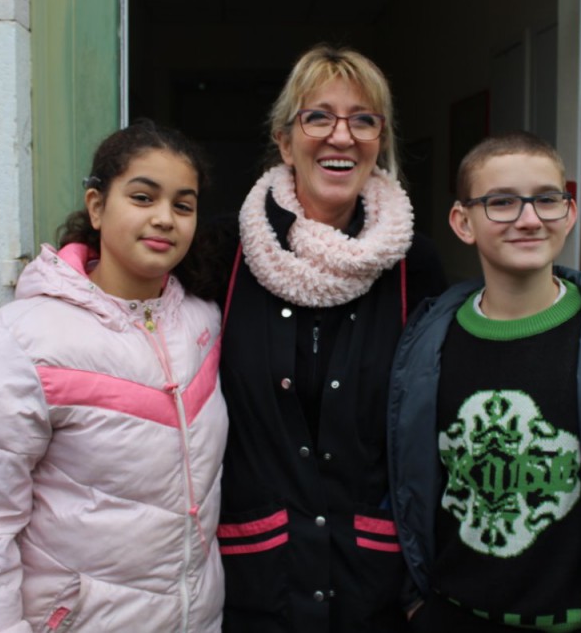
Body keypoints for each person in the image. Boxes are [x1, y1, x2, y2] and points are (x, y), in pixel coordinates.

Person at [178, 44, 447, 632]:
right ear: (284, 141)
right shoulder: (225, 251)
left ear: (380, 140)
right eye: (318, 116)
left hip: (373, 592)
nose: (341, 136)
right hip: (254, 587)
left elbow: (435, 423)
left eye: (363, 119)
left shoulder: (413, 264)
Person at [388, 131, 581, 632]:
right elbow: (399, 479)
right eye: (502, 202)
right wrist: (414, 602)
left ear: (569, 213)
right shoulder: (425, 344)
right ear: (463, 222)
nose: (529, 219)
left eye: (547, 200)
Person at [0, 119, 228, 632]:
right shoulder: (22, 341)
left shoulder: (204, 322)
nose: (164, 219)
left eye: (183, 205)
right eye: (142, 197)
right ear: (96, 206)